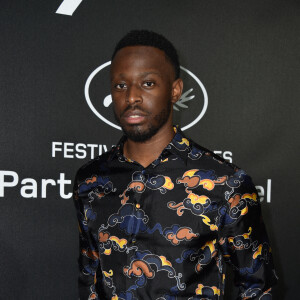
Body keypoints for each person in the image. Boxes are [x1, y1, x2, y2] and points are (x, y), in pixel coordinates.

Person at [73, 30, 277, 300]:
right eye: (120, 85)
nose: (131, 97)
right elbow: (89, 277)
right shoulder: (90, 180)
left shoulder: (227, 184)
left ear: (175, 90)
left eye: (147, 83)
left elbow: (258, 288)